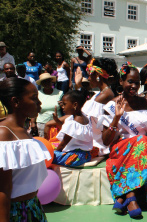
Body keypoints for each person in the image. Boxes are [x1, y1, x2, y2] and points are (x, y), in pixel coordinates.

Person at [101, 63, 147, 219]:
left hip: (142, 148)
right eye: (130, 81)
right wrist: (116, 118)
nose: (134, 86)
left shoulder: (145, 103)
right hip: (120, 148)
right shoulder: (111, 105)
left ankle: (144, 197)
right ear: (121, 81)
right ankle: (130, 195)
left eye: (137, 82)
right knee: (142, 140)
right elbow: (105, 140)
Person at [0, 77, 50, 221]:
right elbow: (3, 189)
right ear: (15, 102)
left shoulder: (22, 131)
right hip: (15, 212)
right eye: (34, 98)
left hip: (32, 206)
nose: (39, 103)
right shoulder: (4, 134)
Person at [80, 58, 117, 156]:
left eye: (89, 75)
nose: (88, 79)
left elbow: (81, 116)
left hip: (99, 147)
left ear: (97, 75)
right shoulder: (100, 94)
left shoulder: (105, 95)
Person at [50, 90, 93, 167]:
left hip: (75, 157)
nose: (62, 107)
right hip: (86, 155)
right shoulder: (85, 118)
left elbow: (62, 145)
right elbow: (69, 131)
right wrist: (57, 120)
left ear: (75, 105)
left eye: (65, 104)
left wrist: (54, 153)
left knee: (48, 155)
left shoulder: (74, 123)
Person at [32, 73, 63, 137]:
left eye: (48, 81)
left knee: (56, 143)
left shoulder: (60, 93)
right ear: (41, 84)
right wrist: (32, 122)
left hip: (57, 122)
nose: (47, 83)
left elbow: (65, 108)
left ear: (51, 82)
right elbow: (34, 108)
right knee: (45, 144)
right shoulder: (38, 93)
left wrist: (63, 105)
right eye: (44, 82)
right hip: (42, 123)